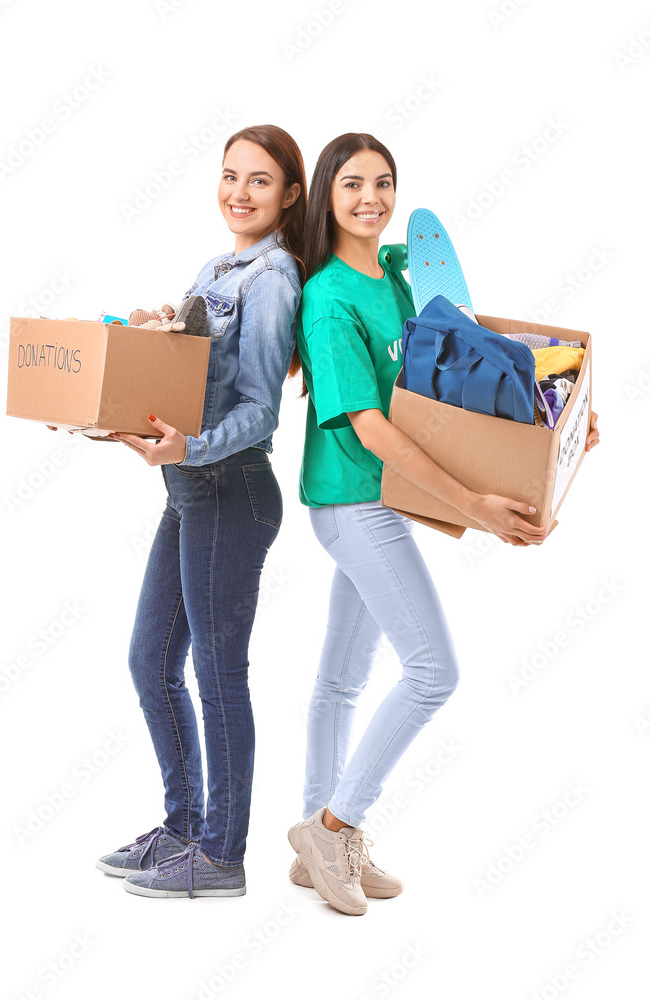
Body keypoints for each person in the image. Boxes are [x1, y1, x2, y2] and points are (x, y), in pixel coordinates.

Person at [286, 133, 600, 917]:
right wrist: (476, 508)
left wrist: (553, 422)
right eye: (352, 184)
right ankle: (336, 825)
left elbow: (454, 374)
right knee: (434, 673)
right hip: (355, 501)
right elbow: (371, 427)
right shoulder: (329, 300)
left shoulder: (398, 274)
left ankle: (315, 842)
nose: (371, 198)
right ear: (326, 193)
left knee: (340, 680)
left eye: (383, 183)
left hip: (381, 503)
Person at [94, 124, 307, 899]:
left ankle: (221, 853)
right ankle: (184, 827)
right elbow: (194, 375)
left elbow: (259, 411)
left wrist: (185, 449)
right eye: (229, 175)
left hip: (232, 491)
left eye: (258, 181)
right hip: (190, 492)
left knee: (217, 676)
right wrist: (157, 339)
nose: (238, 193)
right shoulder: (217, 266)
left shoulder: (275, 275)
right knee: (151, 664)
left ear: (288, 195)